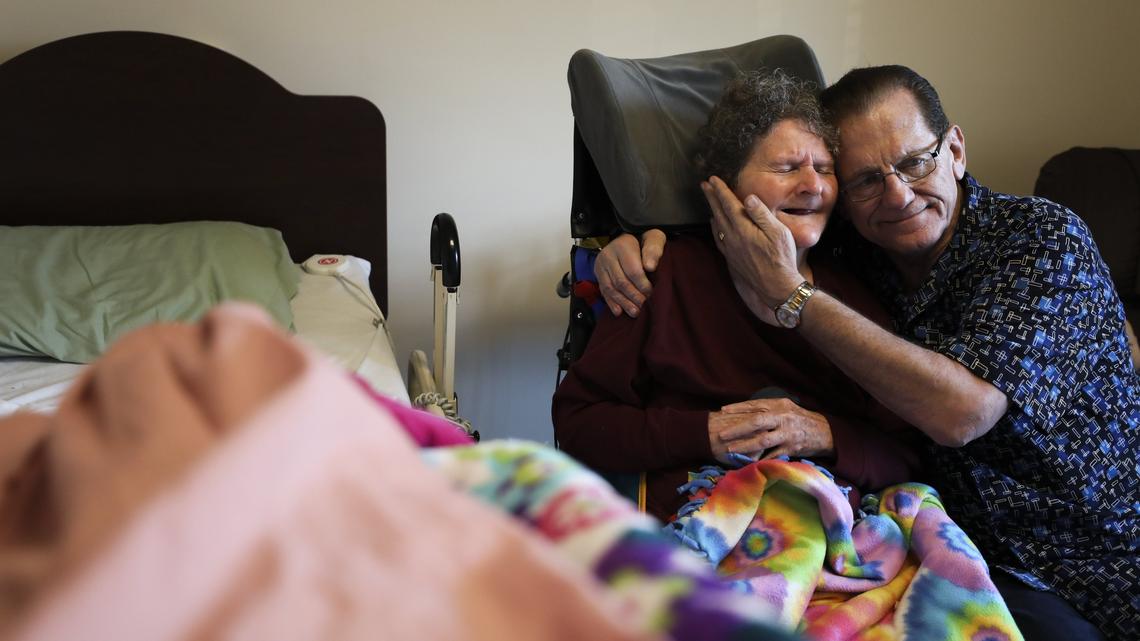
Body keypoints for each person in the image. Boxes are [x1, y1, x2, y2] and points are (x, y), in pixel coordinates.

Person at [593, 64, 1139, 641]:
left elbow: (962, 414)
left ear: (955, 149)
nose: (899, 194)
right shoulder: (864, 251)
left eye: (915, 161)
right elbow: (772, 225)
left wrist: (793, 297)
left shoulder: (1038, 240)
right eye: (864, 180)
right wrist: (637, 242)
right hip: (938, 542)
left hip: (1089, 556)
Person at [552, 71, 920, 522]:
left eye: (824, 169)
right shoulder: (662, 276)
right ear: (723, 186)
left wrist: (825, 434)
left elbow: (907, 452)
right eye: (787, 168)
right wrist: (705, 433)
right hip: (687, 532)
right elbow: (577, 422)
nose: (813, 186)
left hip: (818, 534)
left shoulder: (855, 299)